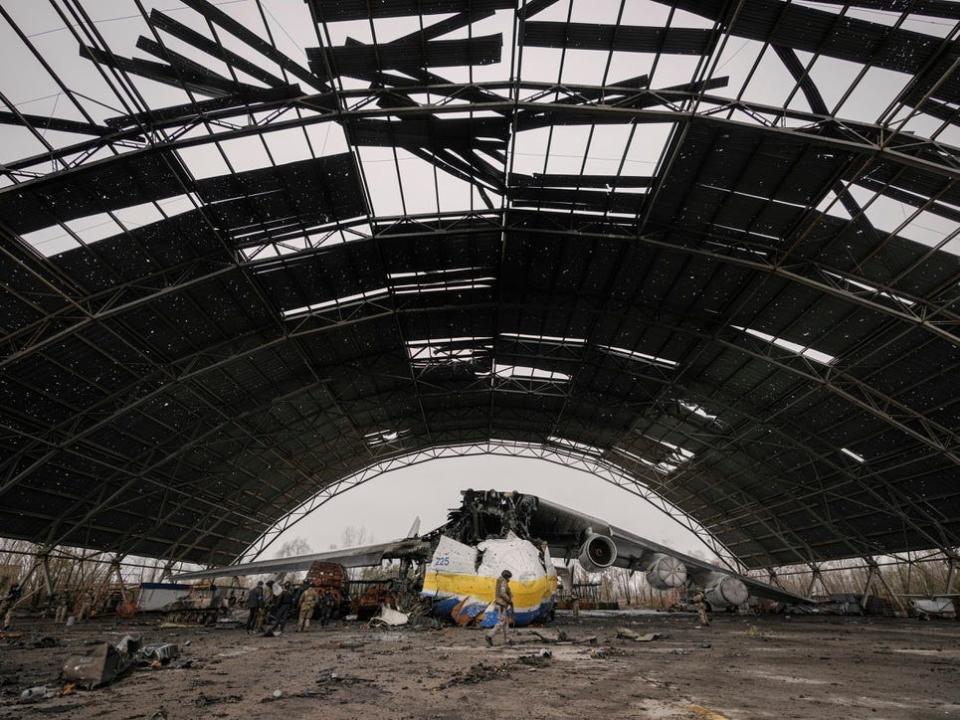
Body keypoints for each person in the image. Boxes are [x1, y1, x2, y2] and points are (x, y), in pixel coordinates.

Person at [485, 570, 514, 647]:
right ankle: (489, 636)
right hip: (501, 605)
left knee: (505, 623)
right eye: (509, 577)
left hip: (501, 604)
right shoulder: (503, 582)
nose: (509, 579)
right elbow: (502, 593)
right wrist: (509, 600)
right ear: (506, 576)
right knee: (501, 622)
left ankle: (507, 639)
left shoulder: (500, 581)